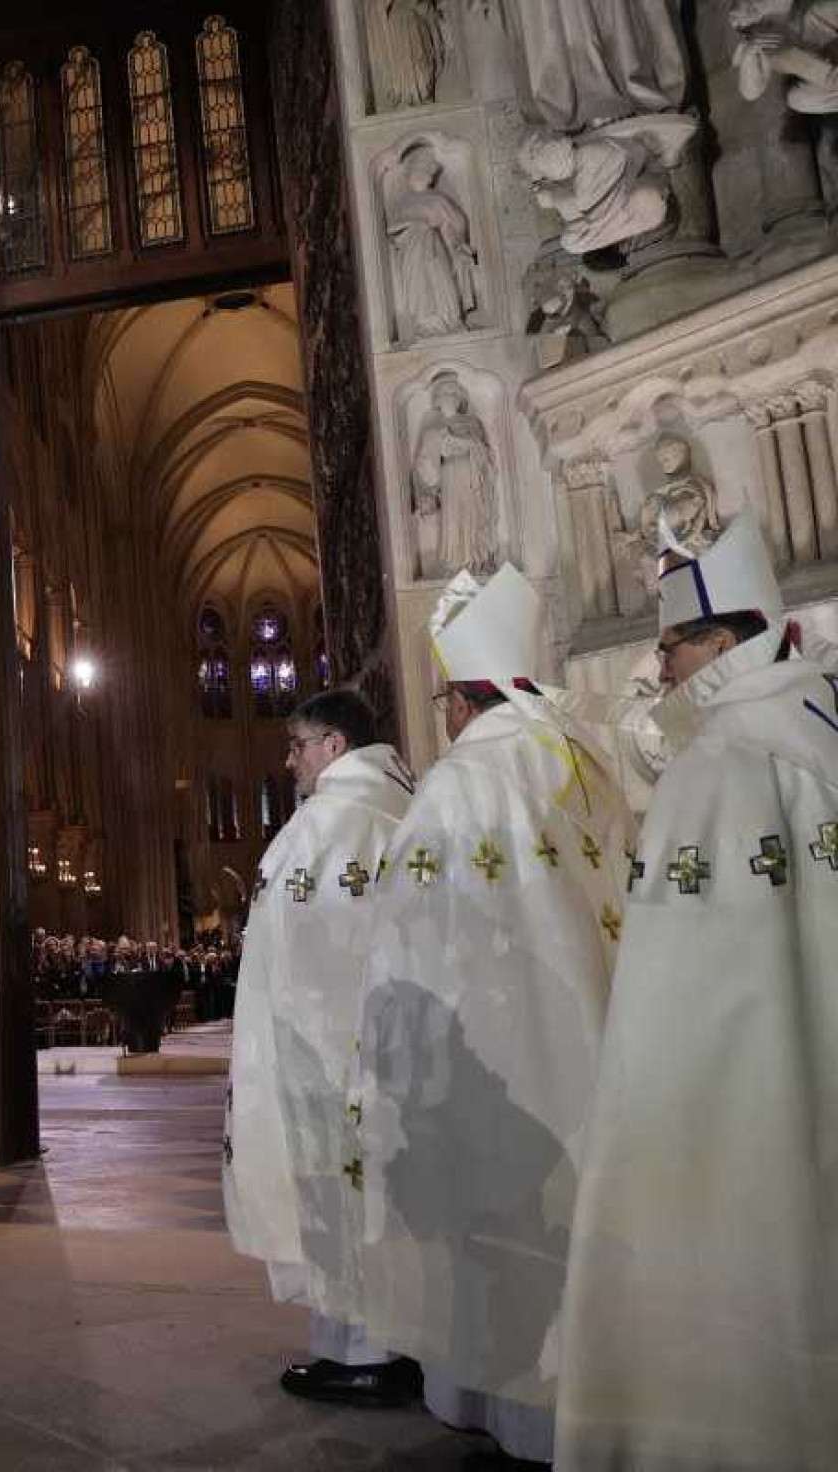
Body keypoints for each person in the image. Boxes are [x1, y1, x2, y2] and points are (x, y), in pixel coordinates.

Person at [556, 514, 838, 1470]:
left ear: (721, 643)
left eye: (670, 642)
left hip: (743, 1121)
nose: (659, 664)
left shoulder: (718, 768)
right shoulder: (819, 724)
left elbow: (680, 1021)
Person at [351, 567, 635, 1463]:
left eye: (442, 697)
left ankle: (509, 1407)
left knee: (501, 1233)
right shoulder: (580, 756)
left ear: (464, 701)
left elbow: (414, 939)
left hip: (492, 1050)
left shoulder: (463, 782)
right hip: (593, 1033)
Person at [228, 689, 420, 1409]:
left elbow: (312, 957)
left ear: (334, 745)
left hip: (329, 1053)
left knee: (343, 1196)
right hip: (387, 1051)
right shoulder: (403, 804)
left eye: (297, 744)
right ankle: (377, 1344)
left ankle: (368, 1353)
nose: (289, 760)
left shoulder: (332, 823)